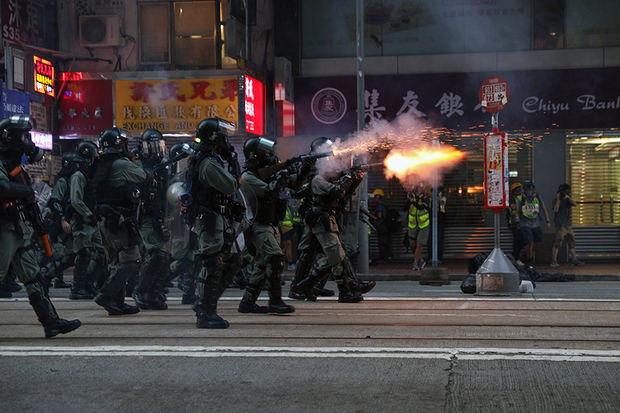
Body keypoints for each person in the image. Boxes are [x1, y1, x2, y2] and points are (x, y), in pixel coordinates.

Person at [0, 115, 81, 337]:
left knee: (33, 277)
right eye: (23, 136)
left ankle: (51, 322)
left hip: (16, 228)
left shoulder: (15, 164)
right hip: (3, 229)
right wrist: (26, 192)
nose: (27, 141)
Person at [290, 137, 375, 303]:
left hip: (327, 215)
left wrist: (354, 179)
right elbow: (298, 191)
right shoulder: (311, 171)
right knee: (312, 253)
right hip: (315, 216)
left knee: (334, 253)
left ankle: (317, 286)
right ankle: (299, 287)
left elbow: (343, 193)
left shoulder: (327, 171)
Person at [184, 117, 242, 328]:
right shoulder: (208, 163)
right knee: (211, 262)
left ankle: (204, 303)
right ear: (214, 138)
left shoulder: (208, 159)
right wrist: (234, 161)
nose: (226, 141)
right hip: (209, 219)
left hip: (216, 217)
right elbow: (231, 185)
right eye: (223, 137)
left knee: (233, 260)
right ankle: (206, 312)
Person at [238, 136, 295, 314]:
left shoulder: (262, 173)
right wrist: (283, 174)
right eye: (266, 153)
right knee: (275, 258)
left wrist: (298, 169)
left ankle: (247, 302)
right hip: (258, 225)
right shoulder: (248, 177)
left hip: (269, 224)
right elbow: (270, 191)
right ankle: (275, 301)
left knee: (262, 266)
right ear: (256, 156)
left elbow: (294, 186)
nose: (271, 156)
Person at [92, 127, 146, 316]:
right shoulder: (121, 164)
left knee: (115, 262)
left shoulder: (101, 162)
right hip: (118, 219)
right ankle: (106, 295)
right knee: (131, 260)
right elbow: (143, 176)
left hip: (104, 219)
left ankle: (118, 303)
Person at [134, 129, 173, 310]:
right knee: (156, 254)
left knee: (164, 256)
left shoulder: (163, 166)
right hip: (145, 216)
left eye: (160, 146)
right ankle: (141, 291)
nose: (157, 150)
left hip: (160, 215)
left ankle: (155, 293)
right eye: (153, 146)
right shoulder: (137, 165)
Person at [67, 141, 106, 300]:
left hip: (91, 220)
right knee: (84, 254)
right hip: (83, 220)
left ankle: (89, 284)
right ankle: (77, 288)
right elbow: (76, 201)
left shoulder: (88, 174)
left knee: (100, 253)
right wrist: (88, 214)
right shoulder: (78, 175)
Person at [515, 180, 551, 266]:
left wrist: (548, 221)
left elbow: (544, 208)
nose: (529, 190)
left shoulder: (537, 196)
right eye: (527, 188)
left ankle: (525, 252)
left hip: (536, 223)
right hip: (525, 223)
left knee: (538, 241)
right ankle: (530, 259)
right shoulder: (521, 198)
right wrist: (517, 222)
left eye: (530, 188)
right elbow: (517, 212)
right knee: (529, 242)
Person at [551, 184, 584, 267]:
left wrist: (568, 197)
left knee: (571, 243)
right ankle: (554, 261)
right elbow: (555, 210)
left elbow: (575, 204)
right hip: (560, 225)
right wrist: (559, 199)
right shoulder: (556, 200)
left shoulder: (568, 200)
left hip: (568, 226)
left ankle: (574, 260)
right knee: (557, 243)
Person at [406, 184, 430, 270]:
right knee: (412, 245)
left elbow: (421, 207)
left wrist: (414, 201)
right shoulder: (412, 198)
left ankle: (415, 263)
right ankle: (421, 260)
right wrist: (410, 200)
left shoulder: (426, 198)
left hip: (424, 225)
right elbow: (405, 207)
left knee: (419, 245)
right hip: (413, 225)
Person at [370, 188, 392, 263]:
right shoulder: (384, 203)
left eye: (376, 196)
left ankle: (384, 257)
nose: (375, 198)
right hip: (384, 226)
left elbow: (379, 216)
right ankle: (386, 257)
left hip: (382, 227)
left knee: (383, 243)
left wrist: (373, 217)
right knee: (385, 242)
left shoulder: (380, 205)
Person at [507, 182, 524, 265]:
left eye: (520, 188)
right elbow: (513, 208)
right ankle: (516, 258)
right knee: (518, 240)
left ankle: (516, 257)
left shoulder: (523, 197)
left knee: (524, 240)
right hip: (514, 223)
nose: (519, 190)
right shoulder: (512, 198)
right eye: (517, 189)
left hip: (524, 222)